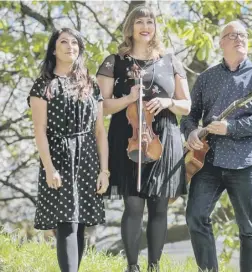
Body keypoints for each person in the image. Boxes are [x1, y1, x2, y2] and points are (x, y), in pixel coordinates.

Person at [96, 5, 191, 272]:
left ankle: (154, 266)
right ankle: (132, 266)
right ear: (131, 27)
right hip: (129, 136)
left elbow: (187, 105)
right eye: (139, 21)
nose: (145, 26)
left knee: (159, 205)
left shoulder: (171, 61)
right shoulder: (113, 61)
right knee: (134, 204)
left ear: (155, 27)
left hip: (164, 137)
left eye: (150, 21)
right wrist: (128, 98)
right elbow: (102, 106)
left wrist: (167, 100)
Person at [181, 21, 252, 272]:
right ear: (221, 42)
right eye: (233, 35)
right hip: (209, 161)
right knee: (195, 217)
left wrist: (231, 128)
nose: (240, 39)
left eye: (243, 35)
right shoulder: (206, 78)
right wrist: (191, 131)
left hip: (245, 163)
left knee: (249, 229)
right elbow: (190, 115)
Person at [28, 28, 109, 272]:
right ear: (54, 49)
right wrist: (49, 167)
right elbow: (39, 130)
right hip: (59, 158)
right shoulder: (44, 84)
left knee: (80, 224)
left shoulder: (90, 84)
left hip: (87, 158)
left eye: (74, 42)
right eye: (64, 42)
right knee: (67, 223)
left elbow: (100, 131)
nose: (70, 46)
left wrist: (104, 171)